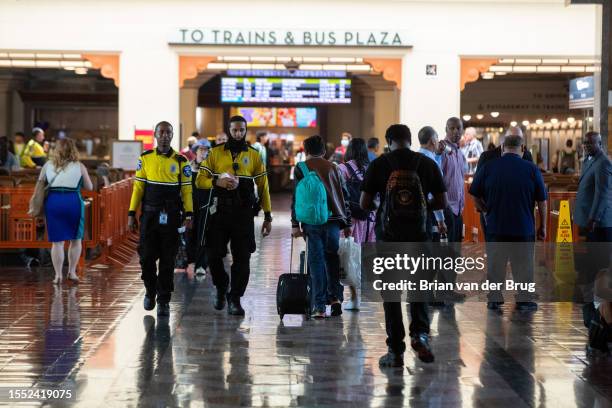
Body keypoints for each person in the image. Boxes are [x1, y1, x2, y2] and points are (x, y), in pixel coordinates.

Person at [361, 124, 447, 366]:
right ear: (410, 140)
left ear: (389, 141)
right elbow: (442, 202)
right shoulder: (427, 164)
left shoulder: (379, 164)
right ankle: (420, 334)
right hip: (420, 238)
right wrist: (421, 205)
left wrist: (384, 205)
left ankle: (395, 351)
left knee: (391, 295)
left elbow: (364, 203)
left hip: (388, 238)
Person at [196, 115, 272, 316]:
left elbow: (263, 186)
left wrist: (268, 215)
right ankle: (221, 286)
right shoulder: (215, 153)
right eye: (234, 130)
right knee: (213, 254)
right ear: (229, 131)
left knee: (243, 258)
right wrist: (216, 182)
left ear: (246, 131)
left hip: (243, 214)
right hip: (219, 212)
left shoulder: (254, 155)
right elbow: (199, 180)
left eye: (241, 130)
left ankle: (235, 298)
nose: (238, 133)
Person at [469, 132, 547, 312]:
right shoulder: (531, 169)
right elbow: (542, 201)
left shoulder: (489, 167)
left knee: (496, 264)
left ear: (502, 148)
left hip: (496, 226)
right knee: (523, 264)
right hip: (524, 227)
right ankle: (524, 299)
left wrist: (485, 210)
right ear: (523, 149)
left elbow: (474, 193)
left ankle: (495, 298)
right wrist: (542, 225)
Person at [127, 121, 194, 317]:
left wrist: (189, 214)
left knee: (167, 259)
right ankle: (150, 290)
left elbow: (187, 191)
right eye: (161, 132)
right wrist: (132, 213)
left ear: (172, 136)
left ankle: (164, 299)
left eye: (168, 132)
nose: (165, 135)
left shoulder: (182, 161)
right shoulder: (146, 158)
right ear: (155, 135)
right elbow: (138, 188)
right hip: (149, 216)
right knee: (146, 258)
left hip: (172, 217)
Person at [291, 135, 351, 318]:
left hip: (312, 221)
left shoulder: (301, 168)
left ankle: (318, 306)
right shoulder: (334, 168)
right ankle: (335, 300)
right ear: (324, 151)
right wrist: (347, 222)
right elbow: (344, 196)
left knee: (315, 261)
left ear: (306, 150)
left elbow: (296, 198)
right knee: (332, 258)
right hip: (333, 221)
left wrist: (295, 224)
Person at [573, 131, 612, 356]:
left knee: (599, 272)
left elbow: (603, 193)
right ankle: (595, 316)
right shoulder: (590, 160)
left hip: (600, 226)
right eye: (585, 142)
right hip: (591, 224)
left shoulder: (603, 163)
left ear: (600, 143)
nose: (587, 145)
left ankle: (601, 320)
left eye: (591, 142)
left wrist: (593, 219)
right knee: (592, 271)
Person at [39, 138, 93, 284]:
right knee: (75, 239)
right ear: (73, 150)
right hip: (72, 202)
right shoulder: (80, 166)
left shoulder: (47, 165)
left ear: (56, 150)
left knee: (57, 242)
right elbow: (90, 187)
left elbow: (39, 186)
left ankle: (57, 275)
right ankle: (72, 272)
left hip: (53, 203)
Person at [476, 126, 535, 241]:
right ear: (504, 140)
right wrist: (485, 212)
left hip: (519, 218)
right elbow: (478, 190)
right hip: (492, 216)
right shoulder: (487, 157)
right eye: (512, 138)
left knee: (518, 256)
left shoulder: (526, 156)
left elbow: (532, 187)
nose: (515, 142)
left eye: (518, 139)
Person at [337, 138, 375, 310]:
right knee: (363, 257)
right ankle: (361, 292)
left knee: (349, 257)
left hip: (350, 221)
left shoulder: (342, 169)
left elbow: (338, 196)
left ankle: (354, 297)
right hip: (368, 220)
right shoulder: (370, 169)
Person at [437, 117, 468, 303]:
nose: (456, 131)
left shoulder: (459, 152)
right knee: (445, 252)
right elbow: (437, 177)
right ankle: (441, 291)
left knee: (455, 252)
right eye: (452, 128)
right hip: (447, 208)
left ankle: (449, 289)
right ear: (446, 129)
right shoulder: (442, 151)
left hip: (458, 210)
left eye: (459, 128)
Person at [188, 138, 212, 275]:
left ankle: (201, 265)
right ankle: (190, 259)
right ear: (195, 151)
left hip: (206, 205)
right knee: (190, 233)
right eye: (201, 149)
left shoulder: (210, 169)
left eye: (206, 150)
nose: (203, 152)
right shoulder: (188, 167)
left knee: (203, 235)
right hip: (191, 206)